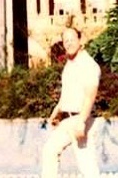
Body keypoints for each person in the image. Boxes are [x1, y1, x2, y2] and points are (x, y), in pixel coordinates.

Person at [41, 27, 101, 178]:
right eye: (65, 40)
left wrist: (81, 121)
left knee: (87, 167)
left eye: (72, 39)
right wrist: (55, 113)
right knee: (50, 151)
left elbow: (90, 95)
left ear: (80, 40)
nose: (69, 43)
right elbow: (66, 94)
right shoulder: (70, 65)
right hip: (67, 120)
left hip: (81, 119)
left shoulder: (89, 65)